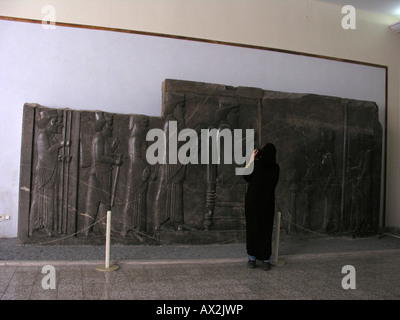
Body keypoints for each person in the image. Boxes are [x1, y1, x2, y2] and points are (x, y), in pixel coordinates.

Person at [243, 143, 280, 271]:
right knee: (266, 230)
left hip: (253, 203)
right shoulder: (276, 168)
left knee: (252, 229)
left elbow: (245, 175)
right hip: (267, 204)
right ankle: (265, 260)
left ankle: (252, 259)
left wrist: (252, 159)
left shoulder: (256, 165)